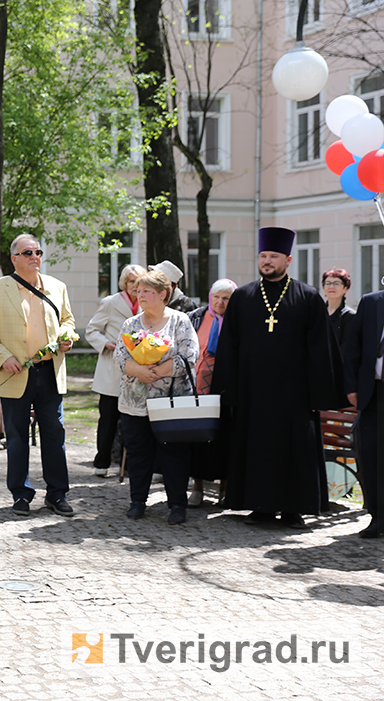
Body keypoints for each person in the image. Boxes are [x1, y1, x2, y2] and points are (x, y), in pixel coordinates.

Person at [213, 227, 345, 529]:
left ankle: (293, 509)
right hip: (253, 391)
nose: (267, 261)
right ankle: (259, 507)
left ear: (287, 259)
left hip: (294, 394)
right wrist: (227, 390)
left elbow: (320, 348)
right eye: (263, 256)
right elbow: (229, 346)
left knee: (293, 448)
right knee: (256, 446)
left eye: (273, 256)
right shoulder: (244, 296)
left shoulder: (308, 297)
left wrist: (318, 394)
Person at [0, 233, 76, 517]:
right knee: (17, 436)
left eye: (38, 252)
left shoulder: (57, 287)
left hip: (49, 370)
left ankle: (57, 494)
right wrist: (3, 357)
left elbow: (67, 320)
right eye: (28, 253)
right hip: (15, 372)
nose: (35, 257)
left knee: (54, 434)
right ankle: (21, 494)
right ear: (14, 258)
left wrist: (67, 336)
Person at [114, 270, 201, 524]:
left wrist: (157, 371)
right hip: (136, 400)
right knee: (139, 451)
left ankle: (177, 505)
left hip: (171, 400)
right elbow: (120, 356)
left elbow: (189, 355)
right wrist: (139, 370)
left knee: (174, 452)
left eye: (146, 292)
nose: (139, 296)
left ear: (163, 294)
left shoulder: (180, 321)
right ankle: (137, 501)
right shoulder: (131, 324)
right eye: (138, 291)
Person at [85, 263, 146, 478]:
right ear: (124, 283)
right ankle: (102, 461)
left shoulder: (147, 303)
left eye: (139, 282)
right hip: (112, 369)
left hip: (137, 369)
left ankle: (128, 464)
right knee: (108, 418)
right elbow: (92, 330)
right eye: (131, 282)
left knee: (132, 419)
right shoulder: (110, 303)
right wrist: (105, 343)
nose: (135, 286)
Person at [185, 278, 236, 507]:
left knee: (224, 439)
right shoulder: (195, 317)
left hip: (226, 390)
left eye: (226, 298)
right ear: (209, 296)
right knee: (197, 439)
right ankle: (197, 487)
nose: (220, 302)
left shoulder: (237, 321)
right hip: (196, 389)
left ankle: (225, 488)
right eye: (216, 297)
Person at [342, 287, 382, 538]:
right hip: (374, 392)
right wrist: (352, 386)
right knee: (373, 457)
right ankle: (379, 517)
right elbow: (352, 346)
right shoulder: (371, 302)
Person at [323, 268, 355, 351]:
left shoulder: (350, 316)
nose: (331, 286)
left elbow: (346, 348)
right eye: (328, 283)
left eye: (336, 283)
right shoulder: (317, 313)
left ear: (345, 288)